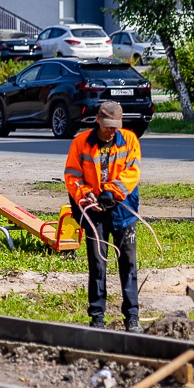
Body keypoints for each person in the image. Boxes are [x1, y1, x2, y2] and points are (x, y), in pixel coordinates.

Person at [64, 101, 142, 331]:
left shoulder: (129, 140)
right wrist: (86, 195)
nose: (111, 130)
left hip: (122, 211)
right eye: (108, 125)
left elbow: (132, 172)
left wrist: (111, 193)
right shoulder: (81, 143)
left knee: (128, 264)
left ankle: (132, 317)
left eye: (115, 126)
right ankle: (97, 318)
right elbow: (72, 176)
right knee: (97, 265)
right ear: (98, 120)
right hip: (94, 213)